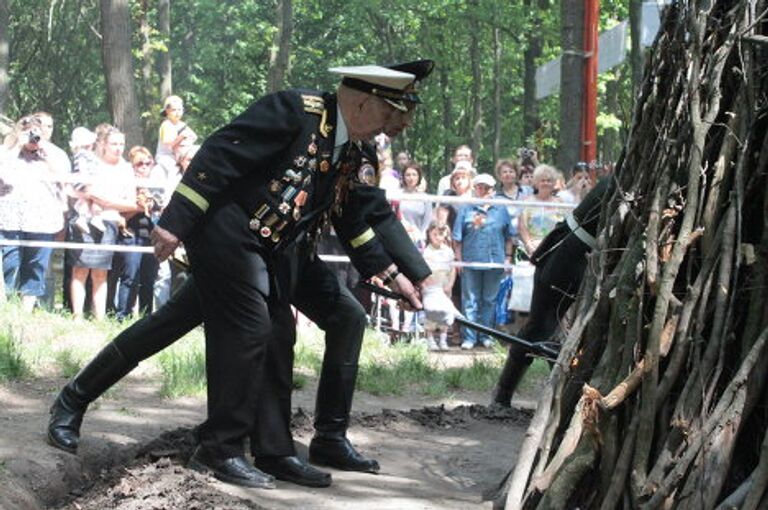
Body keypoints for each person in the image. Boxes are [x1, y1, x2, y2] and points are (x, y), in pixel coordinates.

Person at [78, 61, 434, 490]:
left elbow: (360, 217)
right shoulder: (295, 111)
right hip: (229, 238)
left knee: (206, 324)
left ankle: (286, 448)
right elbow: (218, 155)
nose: (401, 125)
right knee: (255, 327)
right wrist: (176, 222)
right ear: (362, 102)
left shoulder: (358, 150)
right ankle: (221, 447)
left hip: (280, 253)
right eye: (394, 113)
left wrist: (405, 276)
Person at [492, 178, 612, 407]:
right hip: (566, 257)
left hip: (578, 257)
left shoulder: (620, 183)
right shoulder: (616, 184)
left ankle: (558, 393)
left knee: (551, 329)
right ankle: (504, 393)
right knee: (541, 327)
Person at [68, 126, 137, 320]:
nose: (118, 148)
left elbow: (131, 202)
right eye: (114, 143)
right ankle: (77, 316)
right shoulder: (90, 161)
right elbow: (75, 189)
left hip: (108, 221)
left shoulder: (125, 168)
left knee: (101, 273)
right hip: (85, 219)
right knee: (79, 270)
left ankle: (99, 318)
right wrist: (90, 195)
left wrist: (105, 202)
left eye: (121, 144)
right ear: (103, 144)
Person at [0, 116, 68, 311]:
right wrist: (17, 145)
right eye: (28, 132)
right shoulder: (6, 153)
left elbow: (63, 180)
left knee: (36, 265)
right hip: (10, 219)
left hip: (42, 220)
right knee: (10, 263)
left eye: (36, 133)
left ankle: (26, 310)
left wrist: (45, 154)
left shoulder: (52, 155)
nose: (32, 138)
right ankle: (9, 307)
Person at [452, 173, 514, 349]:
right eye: (479, 187)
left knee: (490, 299)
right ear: (475, 189)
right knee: (470, 300)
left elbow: (509, 236)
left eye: (486, 187)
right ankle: (469, 337)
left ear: (493, 190)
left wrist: (508, 258)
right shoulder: (466, 208)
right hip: (470, 262)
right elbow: (457, 238)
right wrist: (459, 260)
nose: (483, 190)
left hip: (495, 261)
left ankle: (486, 335)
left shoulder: (501, 209)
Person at [109, 147, 162, 320]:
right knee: (130, 275)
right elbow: (119, 211)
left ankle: (147, 317)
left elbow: (160, 209)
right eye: (140, 163)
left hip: (150, 232)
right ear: (132, 165)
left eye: (148, 163)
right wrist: (138, 206)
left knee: (149, 277)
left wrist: (150, 202)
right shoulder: (125, 184)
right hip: (130, 232)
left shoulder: (156, 185)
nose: (144, 167)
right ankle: (122, 315)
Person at [518, 164, 565, 258]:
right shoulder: (526, 202)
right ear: (536, 183)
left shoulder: (560, 203)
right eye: (542, 180)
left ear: (553, 183)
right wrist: (529, 245)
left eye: (549, 181)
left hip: (554, 248)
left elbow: (564, 226)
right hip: (532, 249)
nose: (546, 183)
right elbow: (522, 227)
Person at [421, 222, 455, 351]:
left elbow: (452, 270)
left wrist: (450, 285)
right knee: (431, 313)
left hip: (444, 286)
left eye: (440, 234)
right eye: (434, 234)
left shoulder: (448, 251)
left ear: (445, 234)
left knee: (444, 313)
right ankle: (430, 340)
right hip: (431, 288)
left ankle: (443, 340)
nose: (437, 237)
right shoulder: (426, 251)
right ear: (429, 234)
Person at [155, 95, 197, 174]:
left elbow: (194, 137)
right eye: (174, 110)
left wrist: (187, 141)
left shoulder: (182, 124)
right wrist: (181, 137)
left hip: (180, 155)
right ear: (167, 111)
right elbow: (169, 146)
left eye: (180, 110)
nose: (177, 113)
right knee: (174, 169)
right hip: (166, 156)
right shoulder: (166, 125)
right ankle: (173, 185)